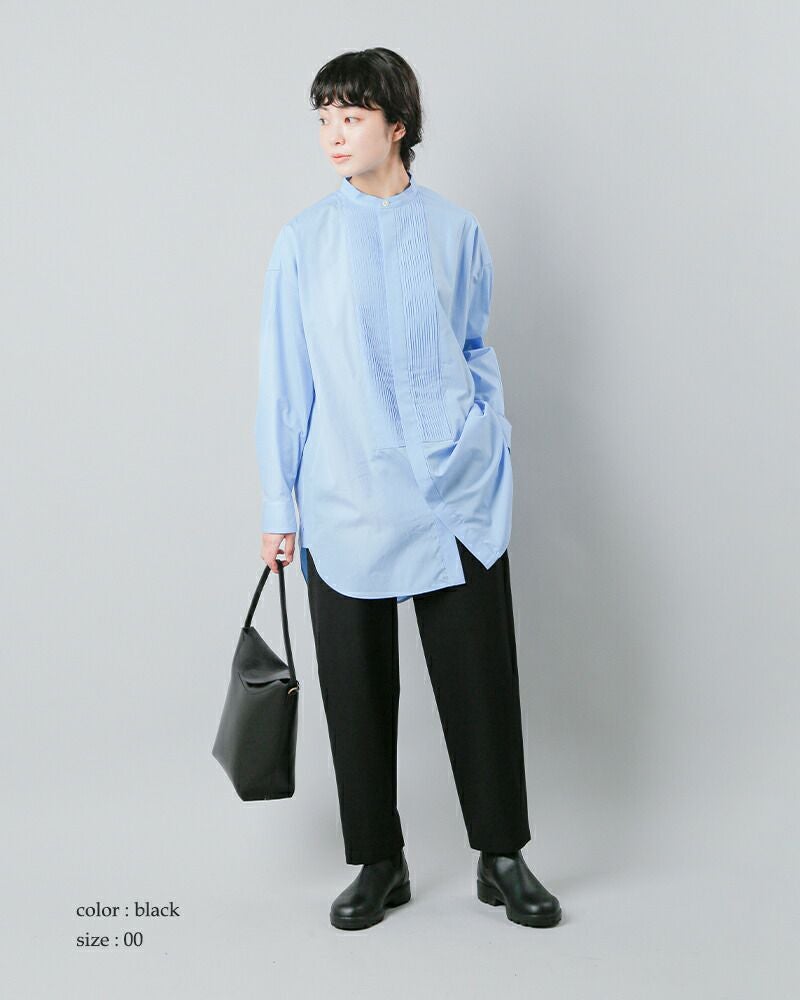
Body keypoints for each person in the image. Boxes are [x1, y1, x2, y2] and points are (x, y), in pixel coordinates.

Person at [255, 47, 562, 931]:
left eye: (350, 116)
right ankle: (378, 862)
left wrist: (486, 437)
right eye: (323, 118)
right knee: (356, 688)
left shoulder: (456, 230)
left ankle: (501, 855)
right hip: (347, 492)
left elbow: (473, 345)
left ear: (397, 125)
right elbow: (284, 383)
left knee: (481, 682)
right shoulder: (303, 242)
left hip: (454, 495)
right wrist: (279, 505)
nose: (332, 134)